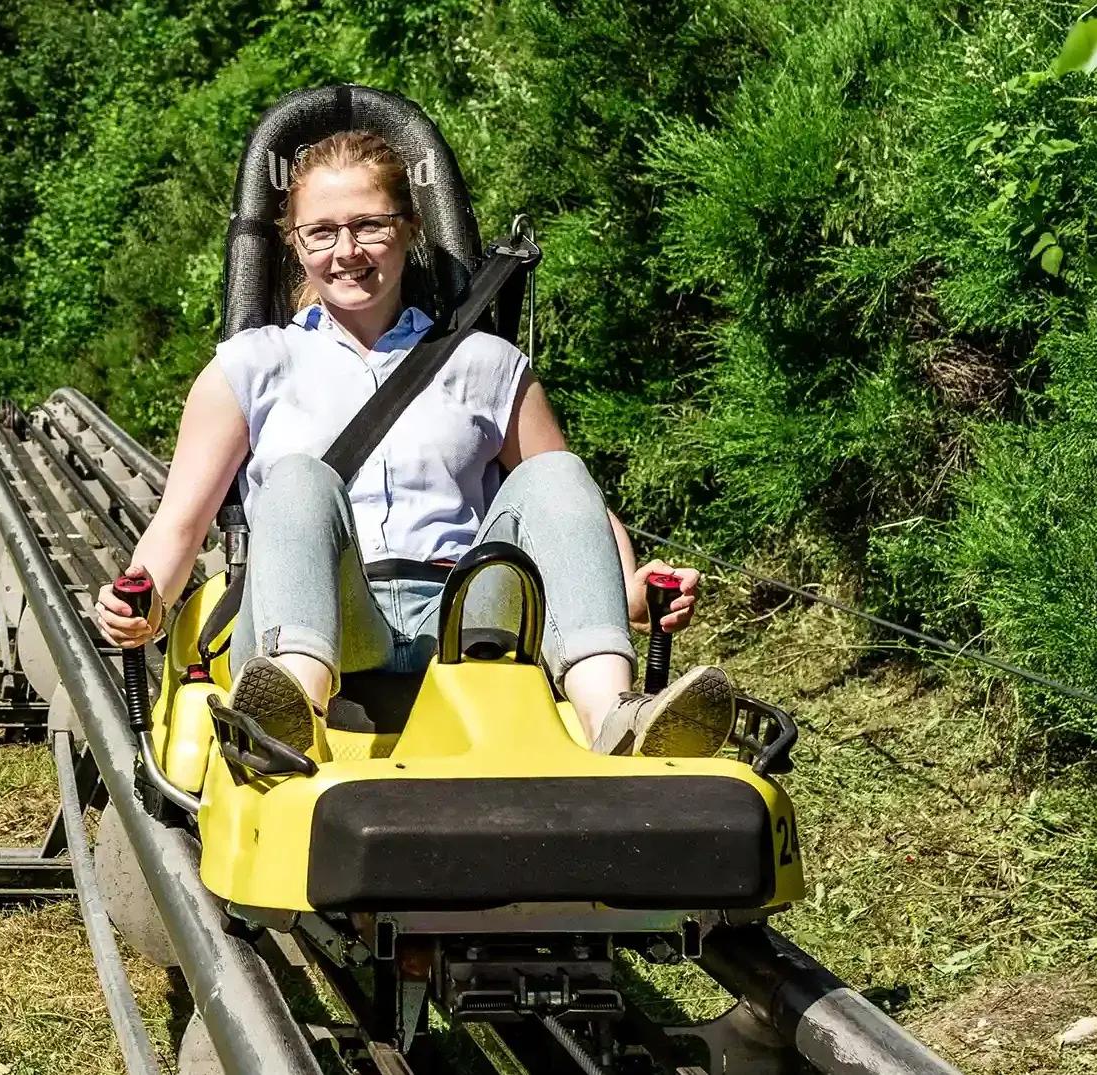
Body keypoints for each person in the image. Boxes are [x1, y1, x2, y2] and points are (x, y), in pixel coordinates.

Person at [95, 130, 735, 757]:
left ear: (408, 229)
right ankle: (293, 714)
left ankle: (614, 718)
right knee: (297, 478)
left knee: (559, 468)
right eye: (321, 233)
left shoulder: (487, 364)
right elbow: (179, 526)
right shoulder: (251, 365)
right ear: (295, 245)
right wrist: (144, 602)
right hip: (334, 610)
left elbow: (561, 502)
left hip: (466, 609)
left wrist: (627, 589)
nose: (346, 251)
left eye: (369, 225)